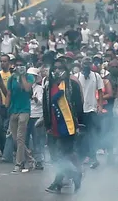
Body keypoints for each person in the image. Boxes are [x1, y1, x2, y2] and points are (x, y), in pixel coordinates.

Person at [42, 56, 84, 194]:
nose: (57, 71)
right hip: (53, 125)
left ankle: (69, 177)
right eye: (55, 68)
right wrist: (47, 124)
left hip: (68, 125)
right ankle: (69, 177)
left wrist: (80, 125)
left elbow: (78, 106)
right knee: (57, 155)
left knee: (65, 153)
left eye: (60, 68)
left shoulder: (72, 85)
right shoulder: (48, 86)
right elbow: (46, 106)